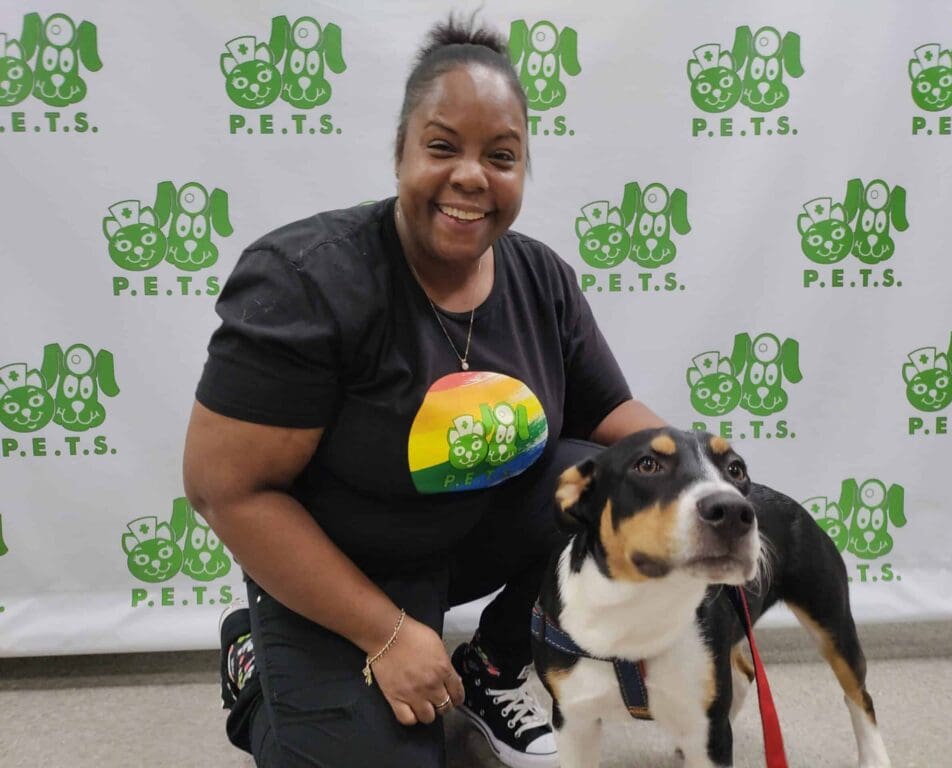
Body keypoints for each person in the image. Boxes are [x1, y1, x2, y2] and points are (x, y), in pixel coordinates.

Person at [183, 16, 666, 768]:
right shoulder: (307, 280)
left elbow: (607, 416)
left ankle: (492, 666)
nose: (472, 176)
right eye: (443, 147)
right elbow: (226, 490)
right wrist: (386, 634)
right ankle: (258, 666)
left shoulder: (539, 277)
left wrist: (709, 487)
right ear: (401, 152)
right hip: (343, 560)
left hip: (467, 537)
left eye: (500, 156)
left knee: (611, 483)